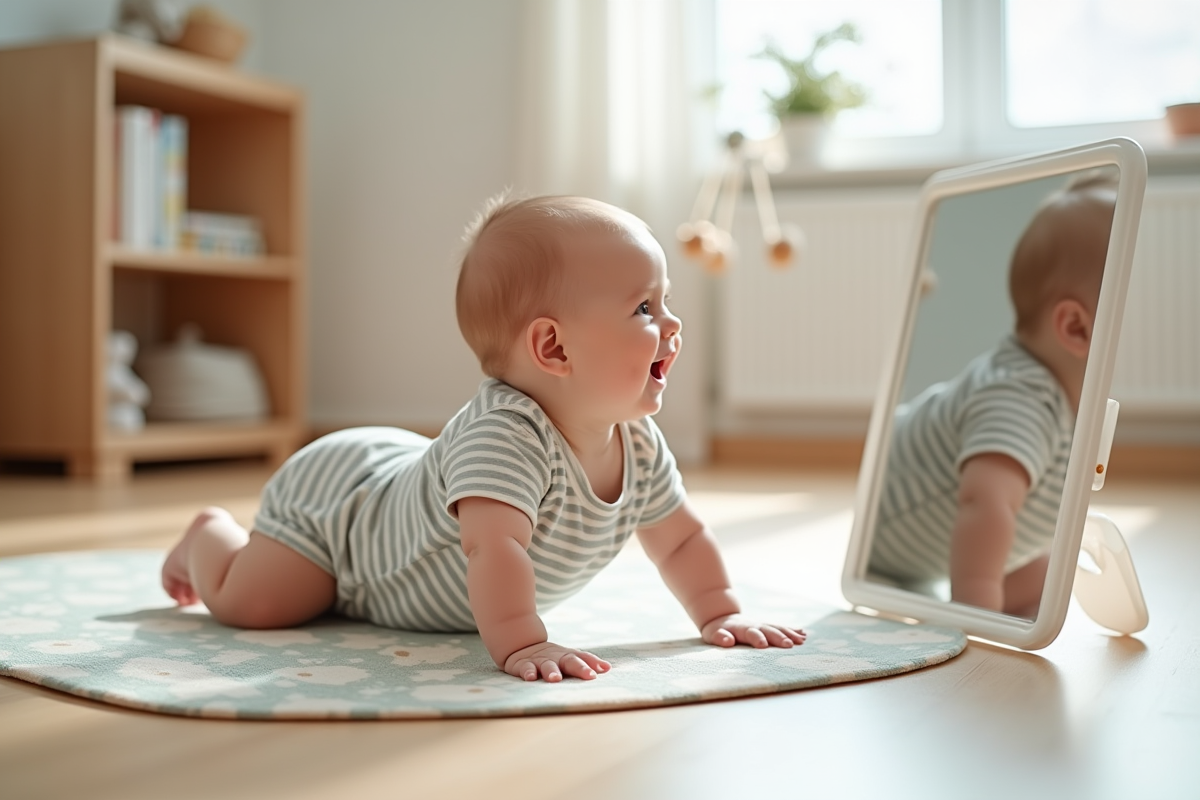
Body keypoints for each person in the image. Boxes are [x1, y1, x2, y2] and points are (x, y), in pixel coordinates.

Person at [162, 194, 807, 682]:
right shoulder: (505, 437)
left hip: (399, 480)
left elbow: (683, 537)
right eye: (645, 308)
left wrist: (720, 613)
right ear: (553, 347)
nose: (671, 323)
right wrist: (523, 640)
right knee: (261, 602)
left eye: (664, 301)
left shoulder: (637, 442)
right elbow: (494, 549)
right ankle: (208, 540)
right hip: (340, 525)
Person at [868, 171, 1118, 617]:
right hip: (884, 537)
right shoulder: (1018, 396)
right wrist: (976, 610)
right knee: (993, 526)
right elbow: (984, 504)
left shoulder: (1066, 399)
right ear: (1076, 327)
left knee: (1050, 575)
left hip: (936, 550)